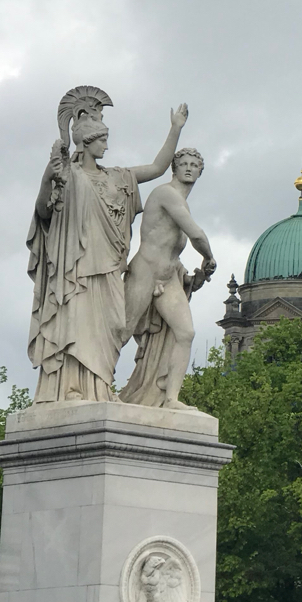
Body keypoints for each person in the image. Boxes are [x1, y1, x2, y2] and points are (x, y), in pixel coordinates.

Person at [27, 87, 189, 403]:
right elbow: (44, 211)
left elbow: (157, 168)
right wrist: (50, 178)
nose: (107, 145)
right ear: (87, 144)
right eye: (102, 140)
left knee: (110, 328)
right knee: (77, 326)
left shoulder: (118, 177)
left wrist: (175, 128)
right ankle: (72, 389)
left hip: (112, 267)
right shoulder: (69, 176)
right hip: (79, 265)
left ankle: (99, 389)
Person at [119, 148, 215, 409]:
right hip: (145, 271)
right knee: (123, 330)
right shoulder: (165, 194)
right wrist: (209, 257)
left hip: (168, 277)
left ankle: (170, 398)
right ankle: (97, 386)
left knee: (186, 333)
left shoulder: (183, 202)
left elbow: (172, 249)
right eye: (183, 163)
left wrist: (190, 276)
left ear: (200, 172)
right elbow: (196, 235)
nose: (188, 167)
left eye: (194, 164)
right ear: (174, 167)